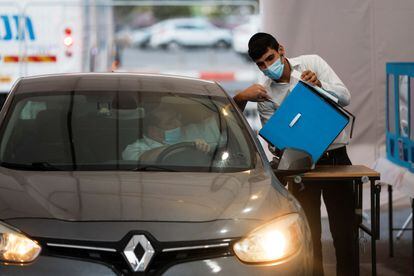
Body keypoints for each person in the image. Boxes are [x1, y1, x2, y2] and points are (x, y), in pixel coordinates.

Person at [234, 32, 355, 276]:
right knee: (308, 232)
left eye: (270, 58)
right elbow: (278, 144)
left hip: (336, 159)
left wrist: (320, 85)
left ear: (281, 49)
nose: (268, 67)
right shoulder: (264, 94)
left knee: (345, 230)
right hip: (301, 165)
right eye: (261, 64)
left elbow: (345, 98)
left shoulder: (312, 63)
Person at [122, 103, 213, 161]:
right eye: (170, 122)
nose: (179, 124)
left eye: (177, 117)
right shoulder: (133, 149)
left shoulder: (189, 132)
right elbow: (145, 158)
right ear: (153, 131)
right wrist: (186, 146)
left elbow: (217, 124)